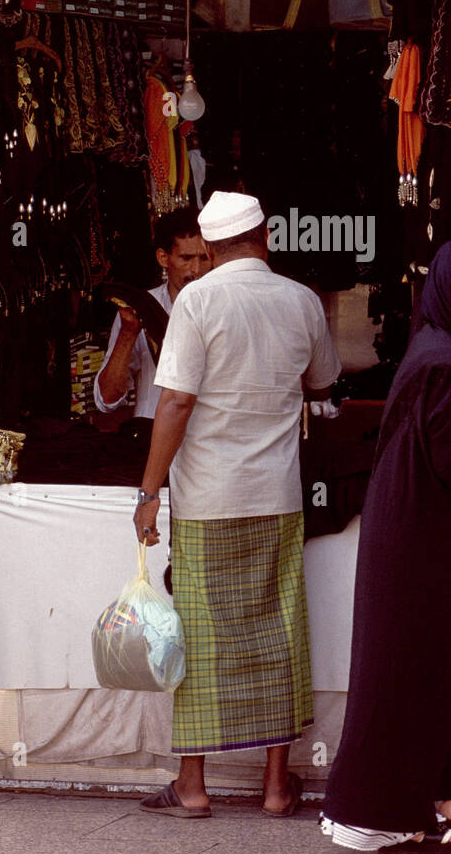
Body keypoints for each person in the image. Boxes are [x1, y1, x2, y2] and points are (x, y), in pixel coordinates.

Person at [320, 241, 451, 853]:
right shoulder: (446, 363)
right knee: (410, 678)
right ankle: (375, 816)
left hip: (437, 556)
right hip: (420, 562)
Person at [133, 190, 341, 818]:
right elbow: (324, 384)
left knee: (201, 639)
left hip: (208, 501)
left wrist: (148, 493)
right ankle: (277, 788)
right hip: (275, 497)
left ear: (212, 247)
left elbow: (174, 403)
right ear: (266, 236)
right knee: (276, 632)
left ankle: (192, 786)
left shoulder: (196, 300)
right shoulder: (302, 301)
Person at [94, 207, 208, 420]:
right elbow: (107, 400)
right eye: (186, 258)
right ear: (164, 258)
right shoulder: (141, 309)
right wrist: (128, 334)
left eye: (204, 258)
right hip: (155, 441)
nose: (196, 270)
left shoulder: (225, 306)